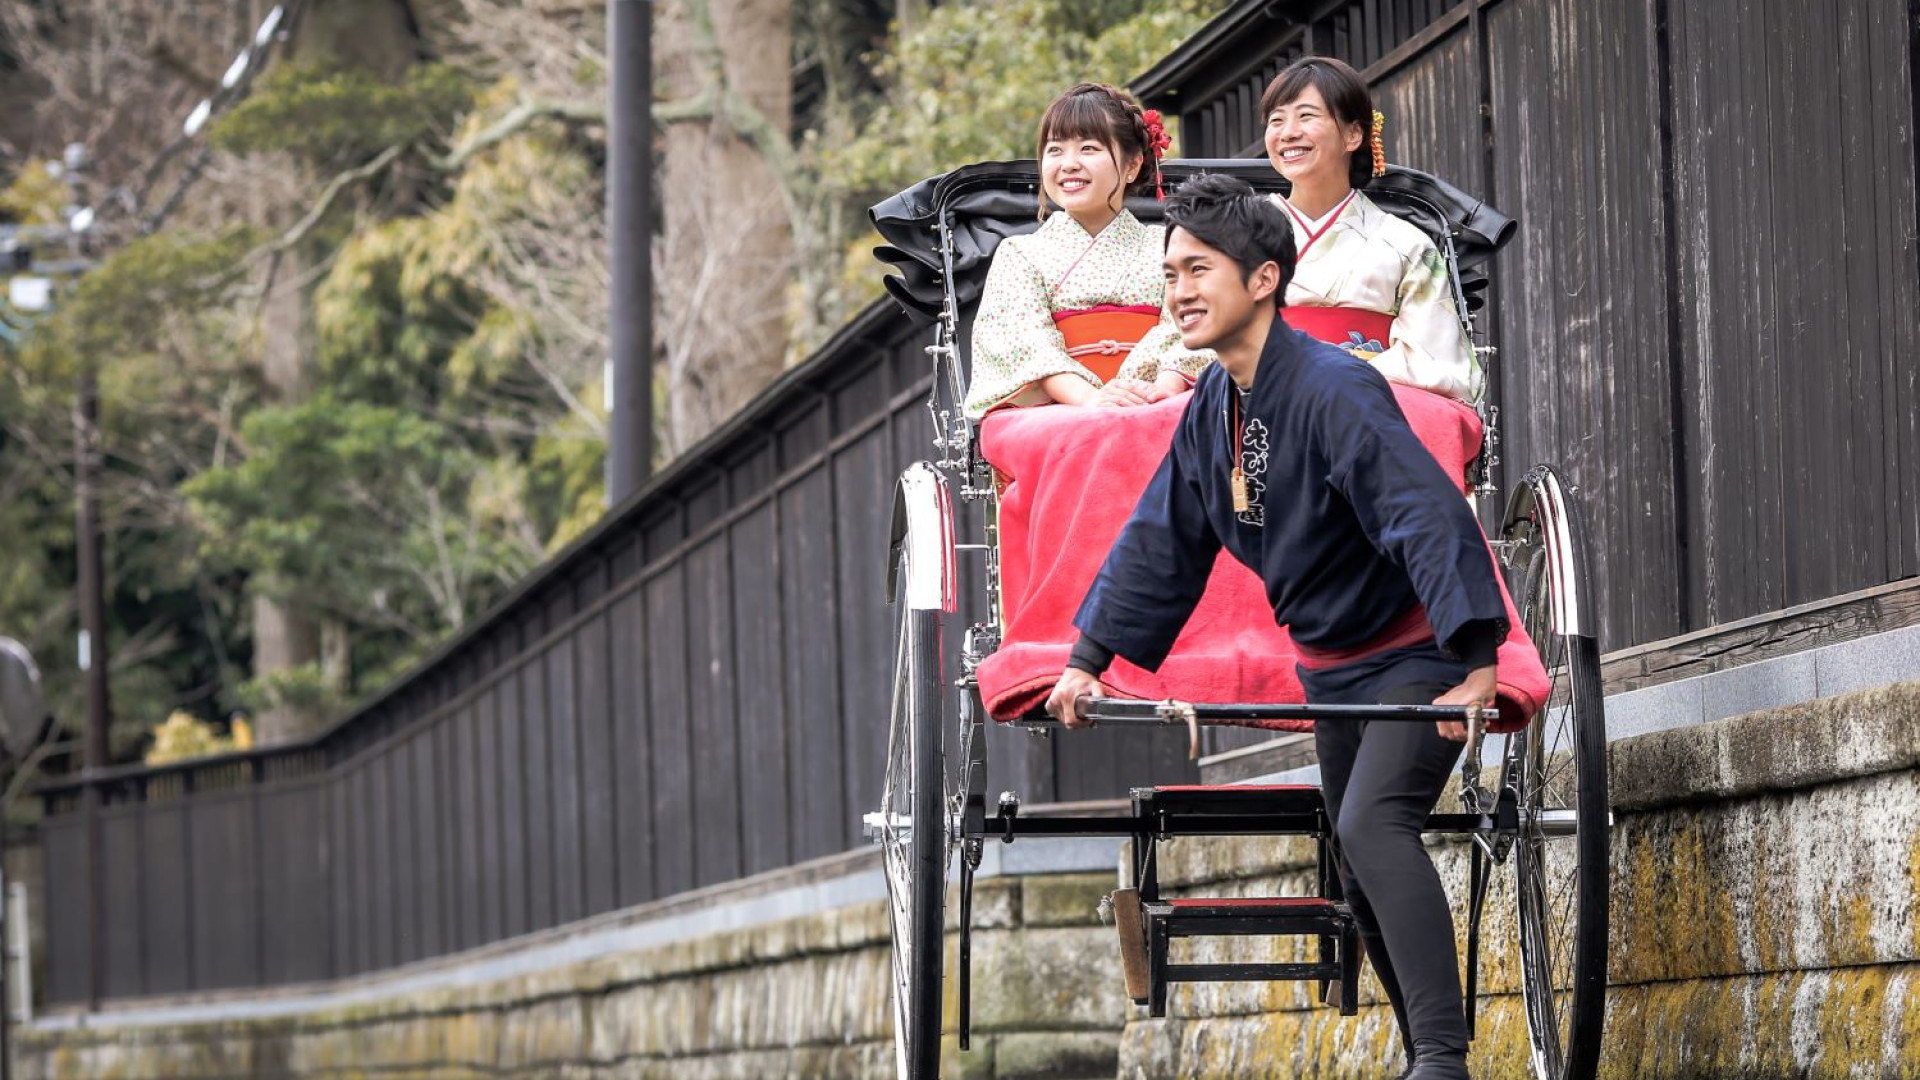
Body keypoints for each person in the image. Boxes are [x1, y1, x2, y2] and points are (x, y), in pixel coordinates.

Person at [1044, 175, 1502, 1080]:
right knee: (1356, 856)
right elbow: (1160, 540)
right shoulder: (1214, 405)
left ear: (1262, 279)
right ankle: (1430, 1058)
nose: (1177, 288)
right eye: (1170, 270)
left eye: (1198, 268)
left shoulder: (1336, 388)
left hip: (1415, 651)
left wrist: (1476, 663)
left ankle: (1444, 1064)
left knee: (1375, 827)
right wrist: (1089, 659)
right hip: (1330, 668)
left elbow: (1423, 514)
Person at [963, 83, 1214, 418]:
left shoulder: (1170, 245)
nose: (1068, 164)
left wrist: (1159, 390)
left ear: (1132, 165)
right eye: (1055, 150)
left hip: (1159, 399)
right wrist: (1090, 399)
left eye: (1088, 148)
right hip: (1059, 409)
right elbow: (1025, 344)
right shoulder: (1019, 253)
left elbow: (1188, 326)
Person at [1263, 56, 1478, 404]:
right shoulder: (1235, 237)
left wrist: (1338, 373)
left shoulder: (1405, 243)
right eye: (1277, 120)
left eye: (1306, 116)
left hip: (1369, 399)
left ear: (1353, 134)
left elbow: (1437, 359)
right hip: (1262, 393)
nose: (1288, 132)